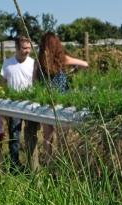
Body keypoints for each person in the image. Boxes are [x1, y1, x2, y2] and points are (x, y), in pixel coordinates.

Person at [33, 32, 88, 167]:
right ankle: (63, 165)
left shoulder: (38, 60)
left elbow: (34, 81)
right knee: (62, 138)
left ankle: (48, 164)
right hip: (61, 102)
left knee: (47, 136)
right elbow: (85, 64)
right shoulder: (62, 59)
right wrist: (72, 71)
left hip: (46, 102)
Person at [0, 35, 35, 171]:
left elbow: (37, 83)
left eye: (29, 48)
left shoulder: (33, 63)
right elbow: (2, 85)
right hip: (13, 106)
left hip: (30, 105)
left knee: (31, 135)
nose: (27, 50)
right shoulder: (8, 64)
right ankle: (14, 165)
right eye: (24, 48)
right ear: (16, 47)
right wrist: (4, 107)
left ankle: (32, 165)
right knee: (14, 136)